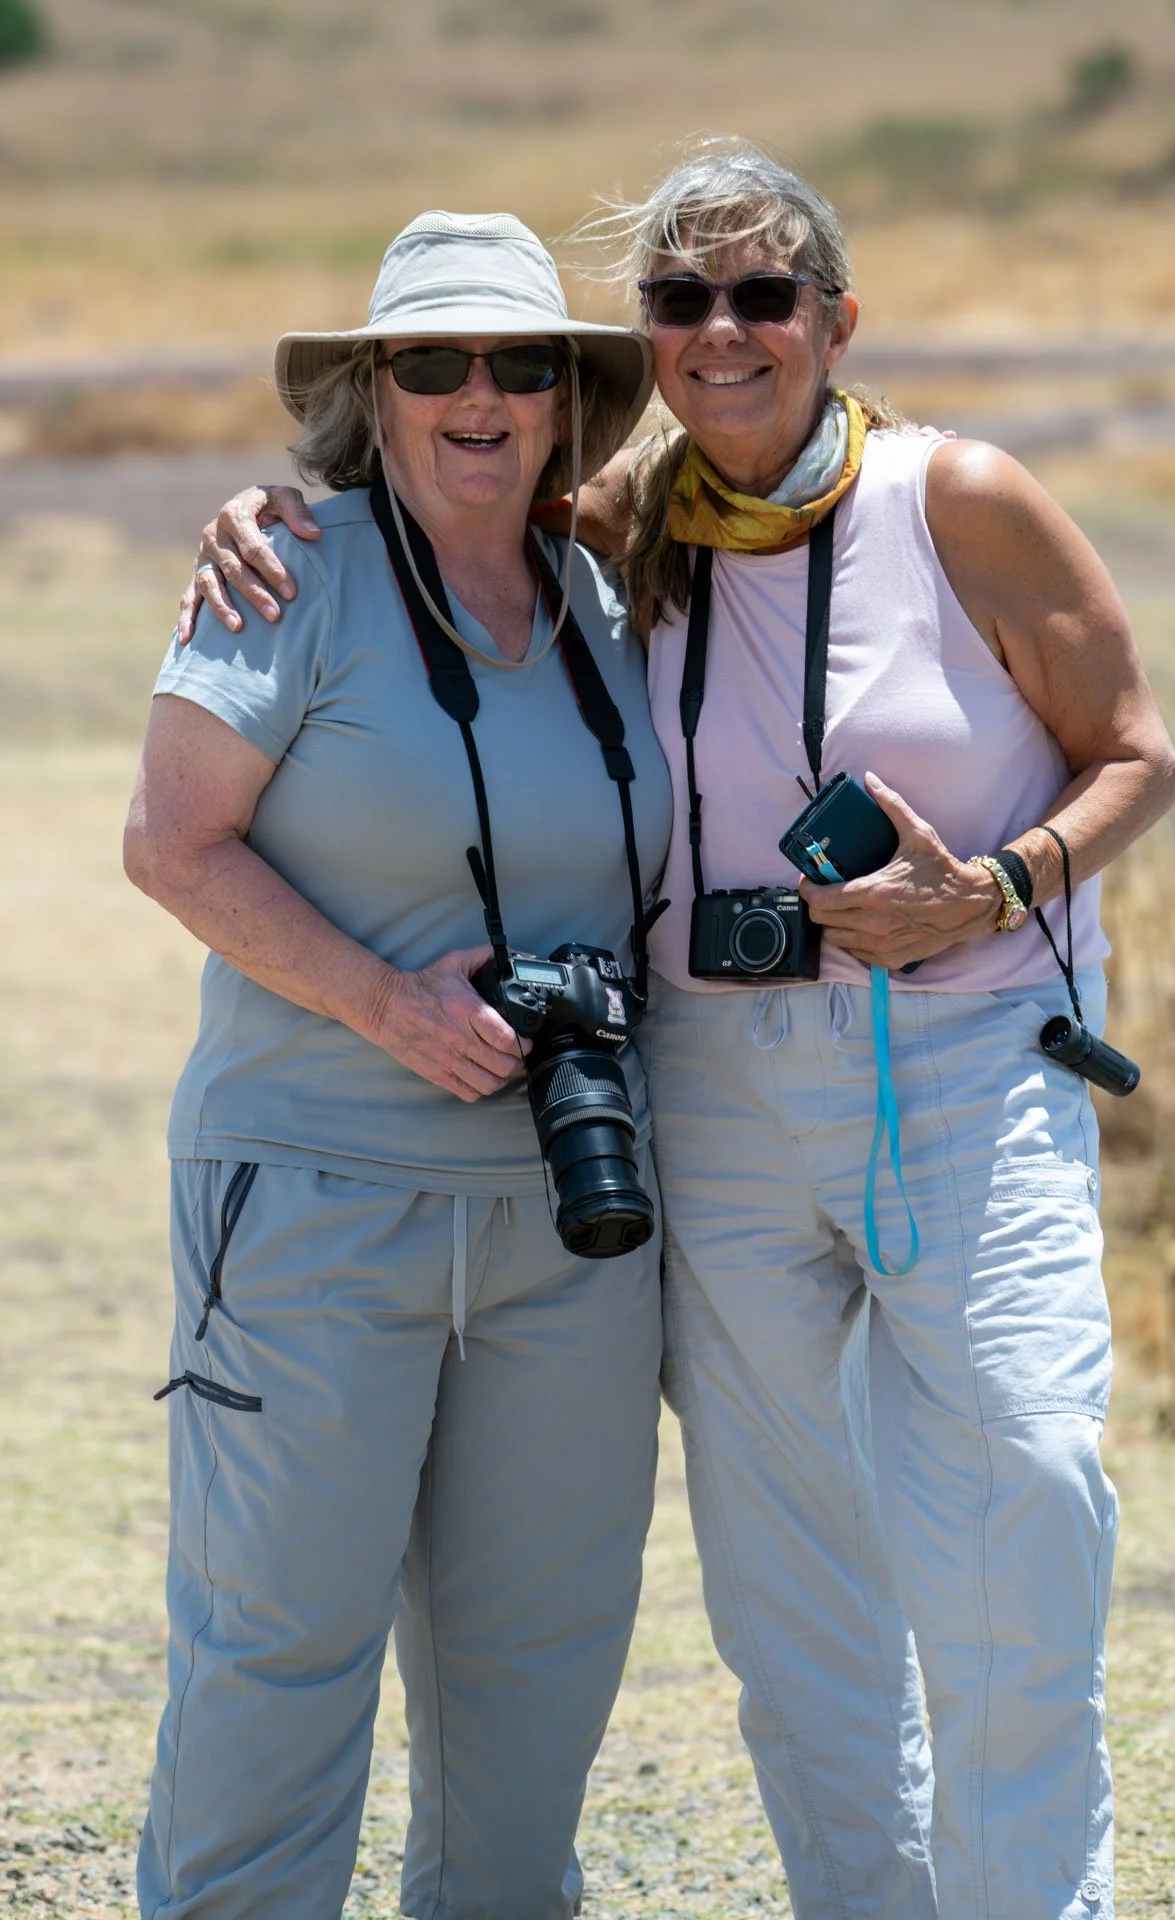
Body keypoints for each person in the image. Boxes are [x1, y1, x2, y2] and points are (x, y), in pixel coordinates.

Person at [184, 143, 1175, 1920]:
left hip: (959, 1067)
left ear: (834, 318)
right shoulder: (621, 527)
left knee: (1022, 1494)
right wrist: (279, 516)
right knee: (789, 1593)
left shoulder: (954, 494)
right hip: (702, 1093)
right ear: (639, 341)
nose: (723, 331)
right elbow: (409, 531)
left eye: (762, 295)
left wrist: (998, 887)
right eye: (679, 301)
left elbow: (1139, 754)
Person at [123, 210, 674, 1920]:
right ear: (376, 387)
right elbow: (170, 843)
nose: (478, 395)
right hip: (313, 1200)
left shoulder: (608, 588)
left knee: (540, 1679)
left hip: (570, 1225)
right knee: (277, 1657)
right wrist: (388, 1005)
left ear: (570, 396)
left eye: (520, 363)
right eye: (433, 362)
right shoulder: (287, 569)